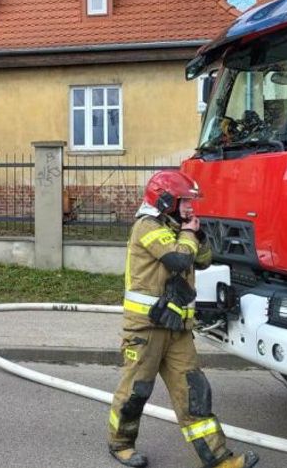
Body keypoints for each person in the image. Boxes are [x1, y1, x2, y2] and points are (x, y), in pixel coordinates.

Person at [107, 170, 259, 468]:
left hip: (177, 328)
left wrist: (196, 234)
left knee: (194, 392)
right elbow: (178, 259)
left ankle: (219, 458)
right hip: (146, 329)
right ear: (165, 201)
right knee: (136, 390)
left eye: (191, 201)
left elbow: (202, 260)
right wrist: (188, 234)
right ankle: (120, 443)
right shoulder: (147, 226)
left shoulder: (175, 228)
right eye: (185, 201)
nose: (191, 207)